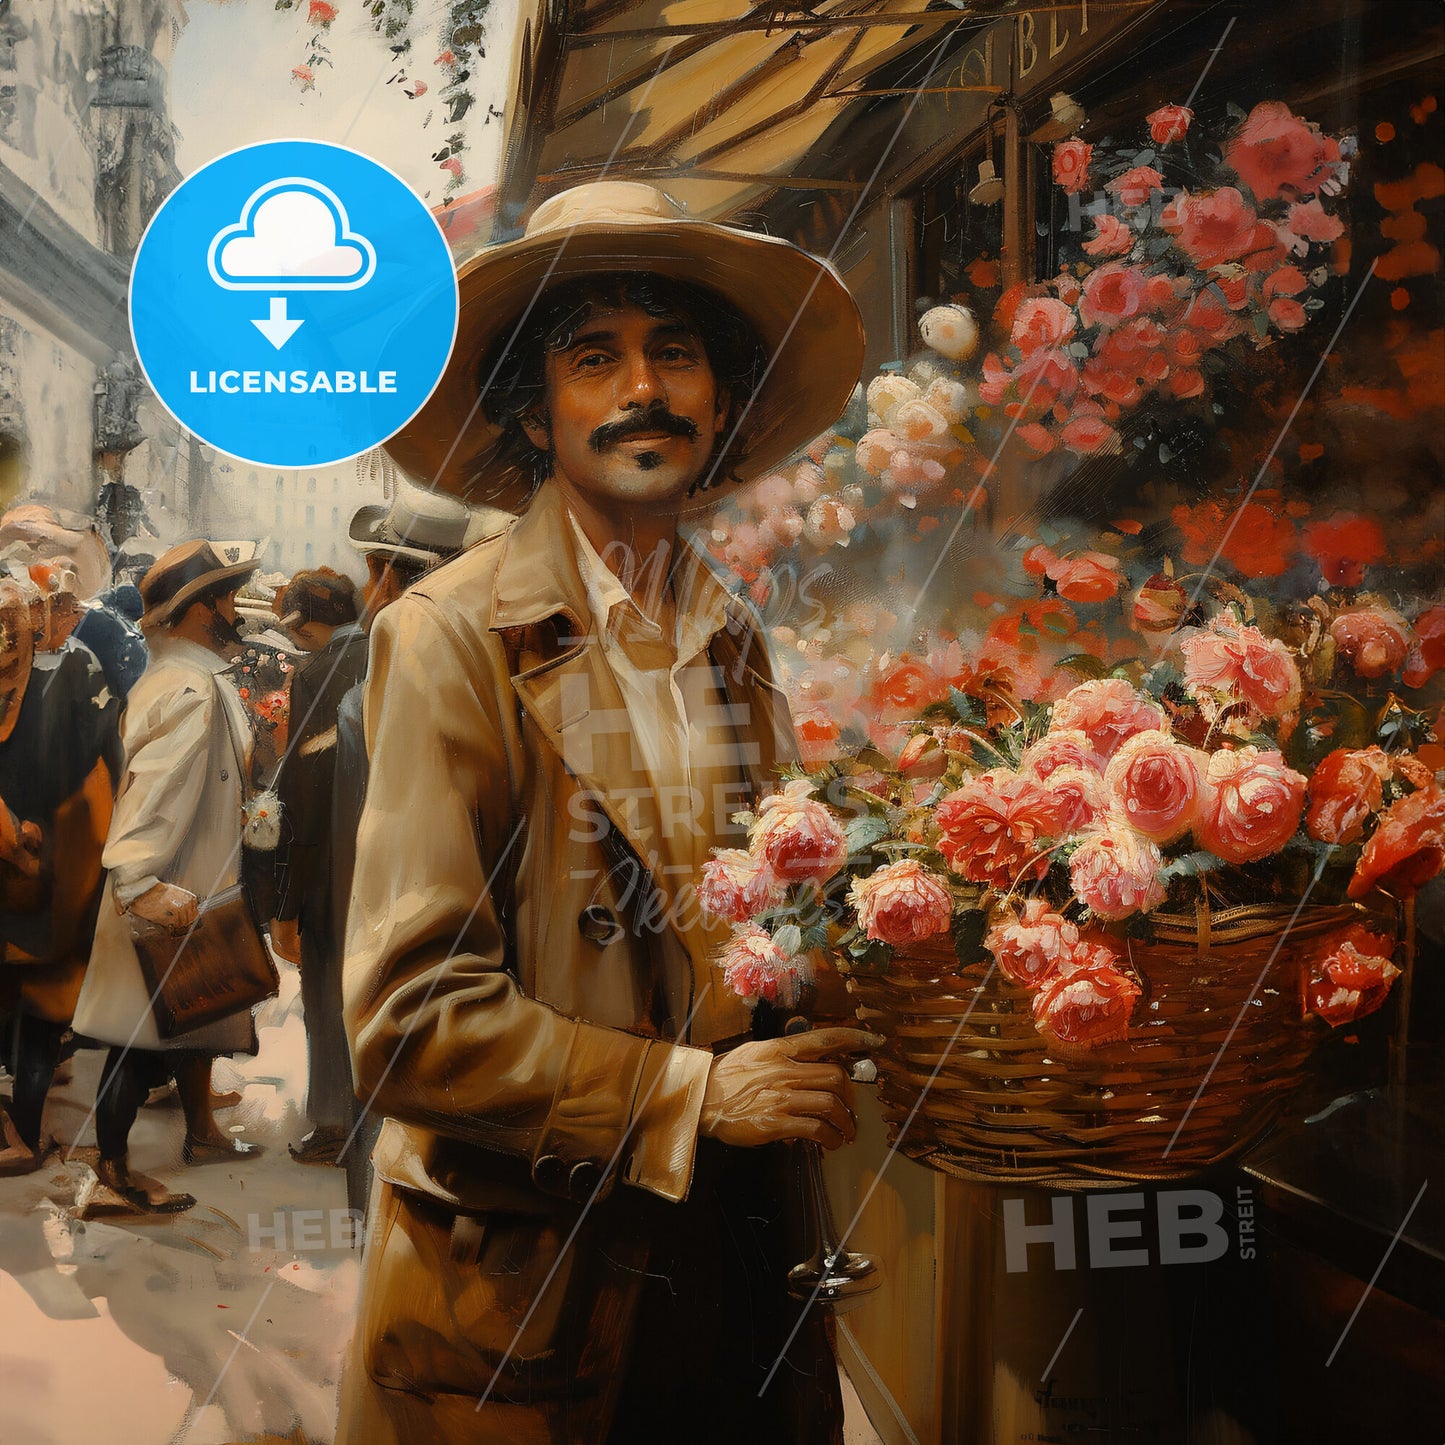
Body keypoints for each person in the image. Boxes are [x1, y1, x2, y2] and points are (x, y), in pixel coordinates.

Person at [336, 180, 874, 1444]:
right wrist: (692, 1096)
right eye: (596, 357)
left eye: (675, 353)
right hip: (537, 1283)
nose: (644, 388)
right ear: (535, 408)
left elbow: (747, 928)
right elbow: (410, 1018)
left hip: (744, 1257)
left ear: (723, 395)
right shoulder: (449, 634)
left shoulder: (732, 632)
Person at [272, 493, 498, 1167]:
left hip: (360, 888)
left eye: (375, 572)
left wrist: (290, 896)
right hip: (456, 906)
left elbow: (307, 791)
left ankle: (343, 1126)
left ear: (395, 575)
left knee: (340, 1005)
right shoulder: (480, 654)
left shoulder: (347, 674)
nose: (369, 590)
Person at [70, 541, 267, 1214]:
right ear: (197, 608)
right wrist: (137, 881)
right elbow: (151, 795)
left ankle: (184, 1141)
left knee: (171, 1032)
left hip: (184, 888)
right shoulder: (190, 690)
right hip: (162, 896)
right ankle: (113, 1177)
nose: (235, 611)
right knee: (134, 1044)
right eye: (227, 599)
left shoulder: (185, 677)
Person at [0, 575, 122, 1174]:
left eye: (13, 619)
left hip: (58, 868)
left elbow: (105, 762)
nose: (5, 635)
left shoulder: (71, 677)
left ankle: (23, 1126)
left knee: (45, 999)